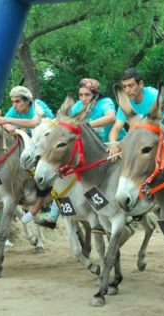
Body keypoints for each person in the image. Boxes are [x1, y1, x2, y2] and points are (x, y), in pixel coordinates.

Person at [35, 78, 120, 231]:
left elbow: (111, 117)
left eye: (87, 95)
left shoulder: (105, 102)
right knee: (64, 173)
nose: (83, 98)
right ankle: (54, 216)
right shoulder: (78, 106)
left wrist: (86, 126)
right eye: (80, 95)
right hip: (90, 150)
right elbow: (66, 122)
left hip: (111, 146)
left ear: (95, 95)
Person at [0, 86, 54, 224]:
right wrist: (8, 126)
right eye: (13, 102)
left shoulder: (38, 105)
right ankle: (8, 192)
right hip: (30, 144)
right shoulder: (14, 109)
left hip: (49, 144)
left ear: (28, 101)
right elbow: (4, 123)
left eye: (17, 101)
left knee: (42, 169)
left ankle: (36, 208)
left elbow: (34, 123)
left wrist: (7, 121)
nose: (14, 105)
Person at [108, 68, 164, 160]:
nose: (127, 90)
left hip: (159, 142)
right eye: (124, 87)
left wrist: (161, 134)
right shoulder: (125, 102)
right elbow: (115, 129)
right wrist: (113, 144)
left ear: (141, 84)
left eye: (131, 86)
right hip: (139, 144)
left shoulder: (154, 96)